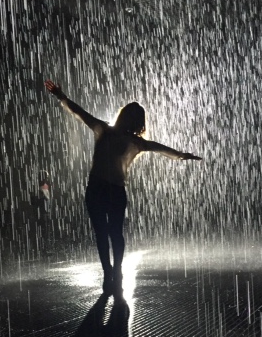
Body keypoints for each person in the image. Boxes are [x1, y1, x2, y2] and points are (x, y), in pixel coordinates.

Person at [45, 79, 201, 297]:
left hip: (106, 189)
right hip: (105, 189)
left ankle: (113, 270)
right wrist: (60, 96)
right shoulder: (110, 132)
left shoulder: (122, 137)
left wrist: (182, 156)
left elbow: (161, 148)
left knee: (109, 233)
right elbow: (79, 112)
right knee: (108, 233)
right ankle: (111, 270)